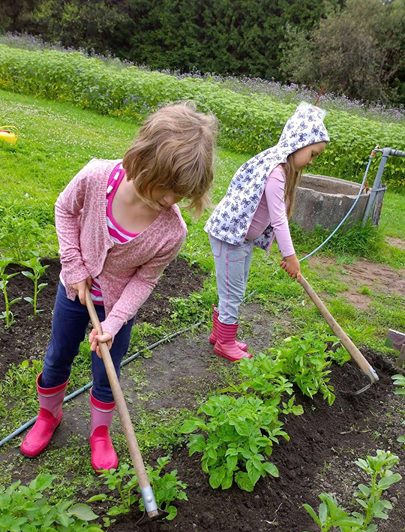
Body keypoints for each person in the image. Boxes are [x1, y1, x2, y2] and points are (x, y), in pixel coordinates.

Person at [20, 102, 217, 471]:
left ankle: (100, 433)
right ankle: (48, 416)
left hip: (115, 310)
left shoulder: (171, 232)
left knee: (107, 372)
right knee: (57, 355)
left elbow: (145, 279)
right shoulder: (96, 178)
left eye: (181, 193)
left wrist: (112, 324)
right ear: (143, 160)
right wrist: (74, 265)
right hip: (72, 292)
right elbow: (64, 209)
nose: (171, 200)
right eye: (166, 188)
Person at [205, 101, 329, 361]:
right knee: (233, 291)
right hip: (230, 237)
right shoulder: (276, 171)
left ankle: (221, 335)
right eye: (313, 154)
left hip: (241, 239)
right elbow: (279, 219)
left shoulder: (280, 166)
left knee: (232, 288)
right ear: (299, 142)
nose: (312, 161)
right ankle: (224, 342)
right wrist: (290, 256)